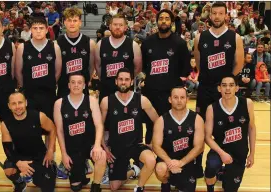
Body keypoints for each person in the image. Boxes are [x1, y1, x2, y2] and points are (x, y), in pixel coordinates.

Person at [193, 2, 244, 178]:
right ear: (210, 15)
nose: (216, 16)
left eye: (220, 13)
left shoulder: (234, 37)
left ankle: (225, 164)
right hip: (205, 88)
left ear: (225, 16)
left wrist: (225, 84)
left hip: (224, 91)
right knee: (199, 126)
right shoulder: (200, 37)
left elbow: (239, 63)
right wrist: (208, 78)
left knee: (226, 127)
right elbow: (199, 63)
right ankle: (196, 165)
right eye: (214, 13)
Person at [100, 68, 158, 192]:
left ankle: (139, 187)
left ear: (131, 82)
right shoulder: (106, 101)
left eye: (126, 80)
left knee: (151, 160)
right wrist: (105, 148)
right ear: (116, 81)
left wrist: (154, 142)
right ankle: (135, 170)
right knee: (114, 186)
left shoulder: (142, 100)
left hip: (136, 145)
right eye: (120, 79)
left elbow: (158, 121)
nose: (123, 82)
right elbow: (99, 126)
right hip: (116, 147)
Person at [141, 9, 190, 145]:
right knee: (151, 127)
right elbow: (144, 66)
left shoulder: (179, 43)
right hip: (151, 93)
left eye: (167, 18)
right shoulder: (148, 42)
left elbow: (185, 69)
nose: (163, 21)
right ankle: (149, 159)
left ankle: (168, 158)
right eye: (161, 18)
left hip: (170, 94)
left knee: (170, 127)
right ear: (156, 21)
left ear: (172, 22)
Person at [54, 72, 106, 192]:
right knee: (76, 187)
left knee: (101, 156)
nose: (76, 85)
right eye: (73, 82)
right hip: (72, 149)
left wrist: (97, 145)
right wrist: (64, 154)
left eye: (79, 82)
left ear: (84, 85)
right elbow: (60, 131)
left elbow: (99, 125)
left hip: (89, 146)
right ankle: (80, 172)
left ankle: (96, 185)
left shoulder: (91, 101)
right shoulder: (59, 103)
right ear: (68, 85)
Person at [204, 75, 256, 192]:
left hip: (239, 151)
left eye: (231, 85)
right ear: (219, 88)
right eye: (224, 85)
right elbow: (207, 137)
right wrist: (222, 153)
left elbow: (251, 128)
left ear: (237, 88)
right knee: (212, 166)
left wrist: (252, 154)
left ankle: (223, 174)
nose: (228, 89)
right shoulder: (211, 108)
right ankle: (210, 186)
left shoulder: (247, 103)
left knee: (230, 188)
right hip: (219, 148)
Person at [1, 91, 57, 192]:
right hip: (20, 157)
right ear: (9, 106)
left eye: (20, 102)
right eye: (14, 104)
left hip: (39, 156)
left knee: (47, 187)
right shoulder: (5, 124)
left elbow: (52, 129)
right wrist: (18, 163)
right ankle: (19, 183)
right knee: (9, 169)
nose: (17, 106)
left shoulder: (39, 116)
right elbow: (7, 149)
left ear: (26, 103)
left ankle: (49, 169)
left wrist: (50, 150)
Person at [153, 86, 205, 192]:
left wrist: (181, 162)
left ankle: (180, 181)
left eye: (182, 97)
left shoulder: (197, 119)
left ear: (187, 99)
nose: (179, 100)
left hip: (188, 160)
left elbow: (199, 147)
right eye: (175, 97)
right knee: (160, 168)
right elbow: (156, 146)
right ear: (170, 99)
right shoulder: (161, 120)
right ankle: (165, 183)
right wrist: (169, 162)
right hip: (168, 160)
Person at [15, 17, 62, 125]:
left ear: (46, 30)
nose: (38, 31)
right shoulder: (23, 47)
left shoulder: (54, 47)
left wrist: (49, 83)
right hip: (30, 95)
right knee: (30, 128)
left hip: (48, 94)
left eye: (41, 28)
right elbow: (18, 71)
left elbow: (58, 71)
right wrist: (26, 87)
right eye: (35, 28)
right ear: (31, 30)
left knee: (50, 127)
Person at [95, 14, 142, 103]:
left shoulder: (133, 45)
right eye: (115, 24)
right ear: (110, 26)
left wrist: (127, 79)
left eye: (121, 25)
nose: (117, 27)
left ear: (125, 27)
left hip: (126, 92)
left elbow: (137, 68)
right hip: (106, 91)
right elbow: (98, 67)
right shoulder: (100, 44)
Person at [56, 7, 96, 98]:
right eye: (69, 20)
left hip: (82, 89)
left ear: (80, 23)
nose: (72, 23)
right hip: (63, 89)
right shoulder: (57, 43)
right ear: (64, 22)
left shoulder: (90, 43)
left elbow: (91, 68)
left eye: (75, 20)